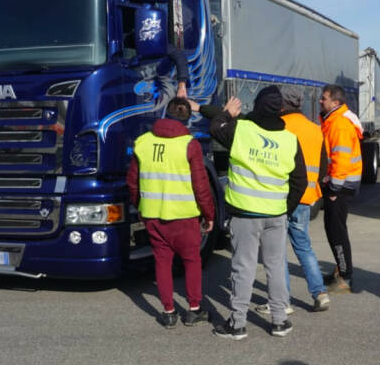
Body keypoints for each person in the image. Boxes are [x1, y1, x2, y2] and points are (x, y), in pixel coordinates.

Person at [204, 85, 307, 339]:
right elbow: (300, 181)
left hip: (244, 215)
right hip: (275, 215)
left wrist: (227, 112)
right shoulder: (289, 139)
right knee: (276, 267)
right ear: (280, 109)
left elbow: (215, 128)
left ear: (257, 106)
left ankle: (237, 324)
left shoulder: (241, 130)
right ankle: (280, 322)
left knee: (243, 267)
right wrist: (284, 209)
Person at [127, 97, 215, 328]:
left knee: (162, 262)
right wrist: (209, 214)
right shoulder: (189, 144)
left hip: (153, 215)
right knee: (191, 261)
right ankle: (194, 309)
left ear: (165, 113)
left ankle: (168, 312)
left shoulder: (143, 142)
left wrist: (140, 208)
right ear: (188, 117)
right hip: (184, 216)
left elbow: (133, 182)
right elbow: (201, 185)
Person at [263, 86, 331, 313]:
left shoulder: (279, 127)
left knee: (277, 251)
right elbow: (323, 167)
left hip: (280, 197)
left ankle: (284, 302)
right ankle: (320, 293)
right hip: (306, 197)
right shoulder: (315, 129)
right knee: (303, 247)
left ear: (281, 104)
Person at [318, 84, 363, 293]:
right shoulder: (334, 121)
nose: (320, 101)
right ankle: (341, 270)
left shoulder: (338, 125)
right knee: (334, 229)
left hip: (341, 186)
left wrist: (334, 190)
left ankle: (345, 277)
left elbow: (341, 160)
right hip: (341, 184)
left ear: (335, 103)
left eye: (324, 98)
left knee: (336, 232)